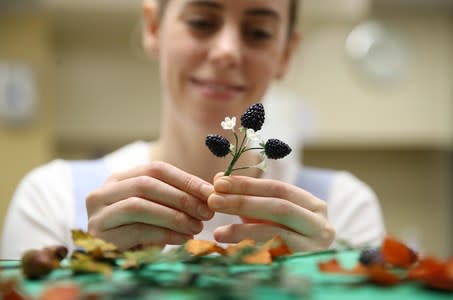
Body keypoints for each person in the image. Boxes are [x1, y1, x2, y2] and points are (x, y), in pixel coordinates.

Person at [0, 0, 385, 259]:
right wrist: (93, 269)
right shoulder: (52, 198)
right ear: (153, 27)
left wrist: (321, 281)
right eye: (202, 22)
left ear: (285, 53)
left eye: (258, 32)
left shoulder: (344, 209)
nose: (227, 50)